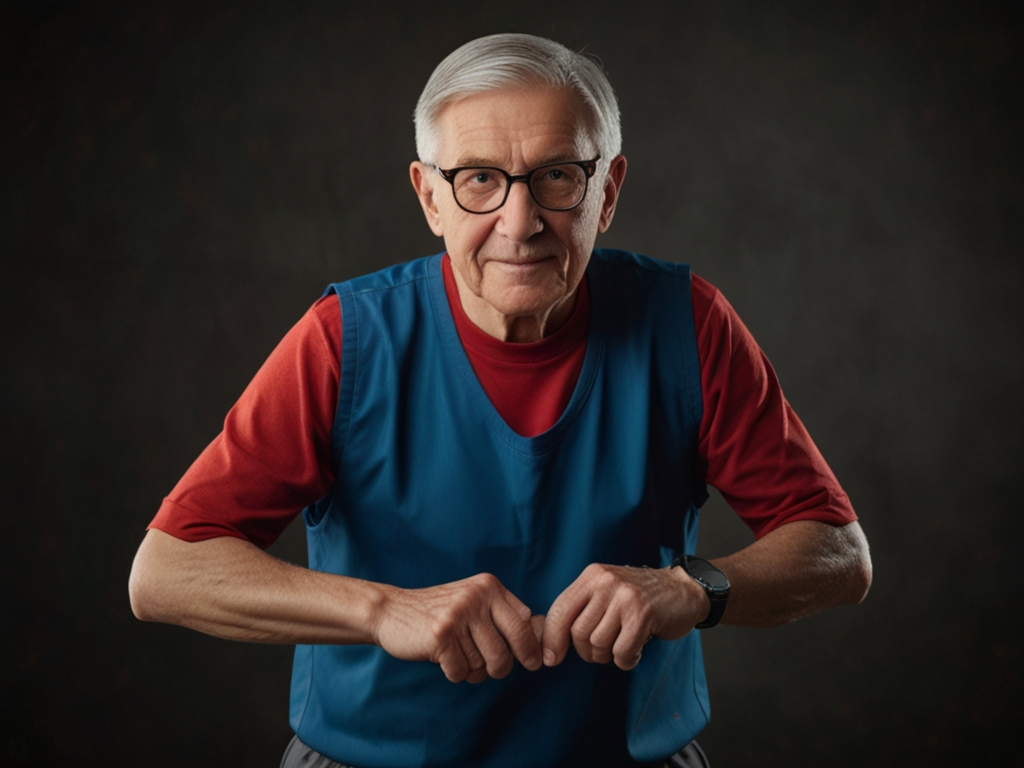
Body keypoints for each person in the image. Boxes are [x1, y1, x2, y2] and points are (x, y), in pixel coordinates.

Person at [129, 33, 871, 768]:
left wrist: (695, 588)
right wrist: (384, 610)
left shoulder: (688, 324)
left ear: (606, 191)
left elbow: (838, 553)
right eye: (479, 179)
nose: (520, 225)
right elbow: (166, 572)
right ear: (429, 197)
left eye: (556, 176)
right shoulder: (345, 340)